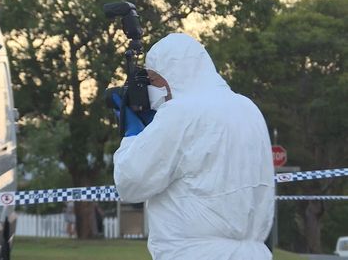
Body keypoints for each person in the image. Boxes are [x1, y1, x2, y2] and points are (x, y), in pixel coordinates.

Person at [113, 33, 275, 260]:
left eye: (153, 79)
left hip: (195, 253)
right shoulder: (247, 108)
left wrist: (132, 135)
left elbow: (130, 183)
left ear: (173, 74)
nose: (151, 89)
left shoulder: (180, 113)